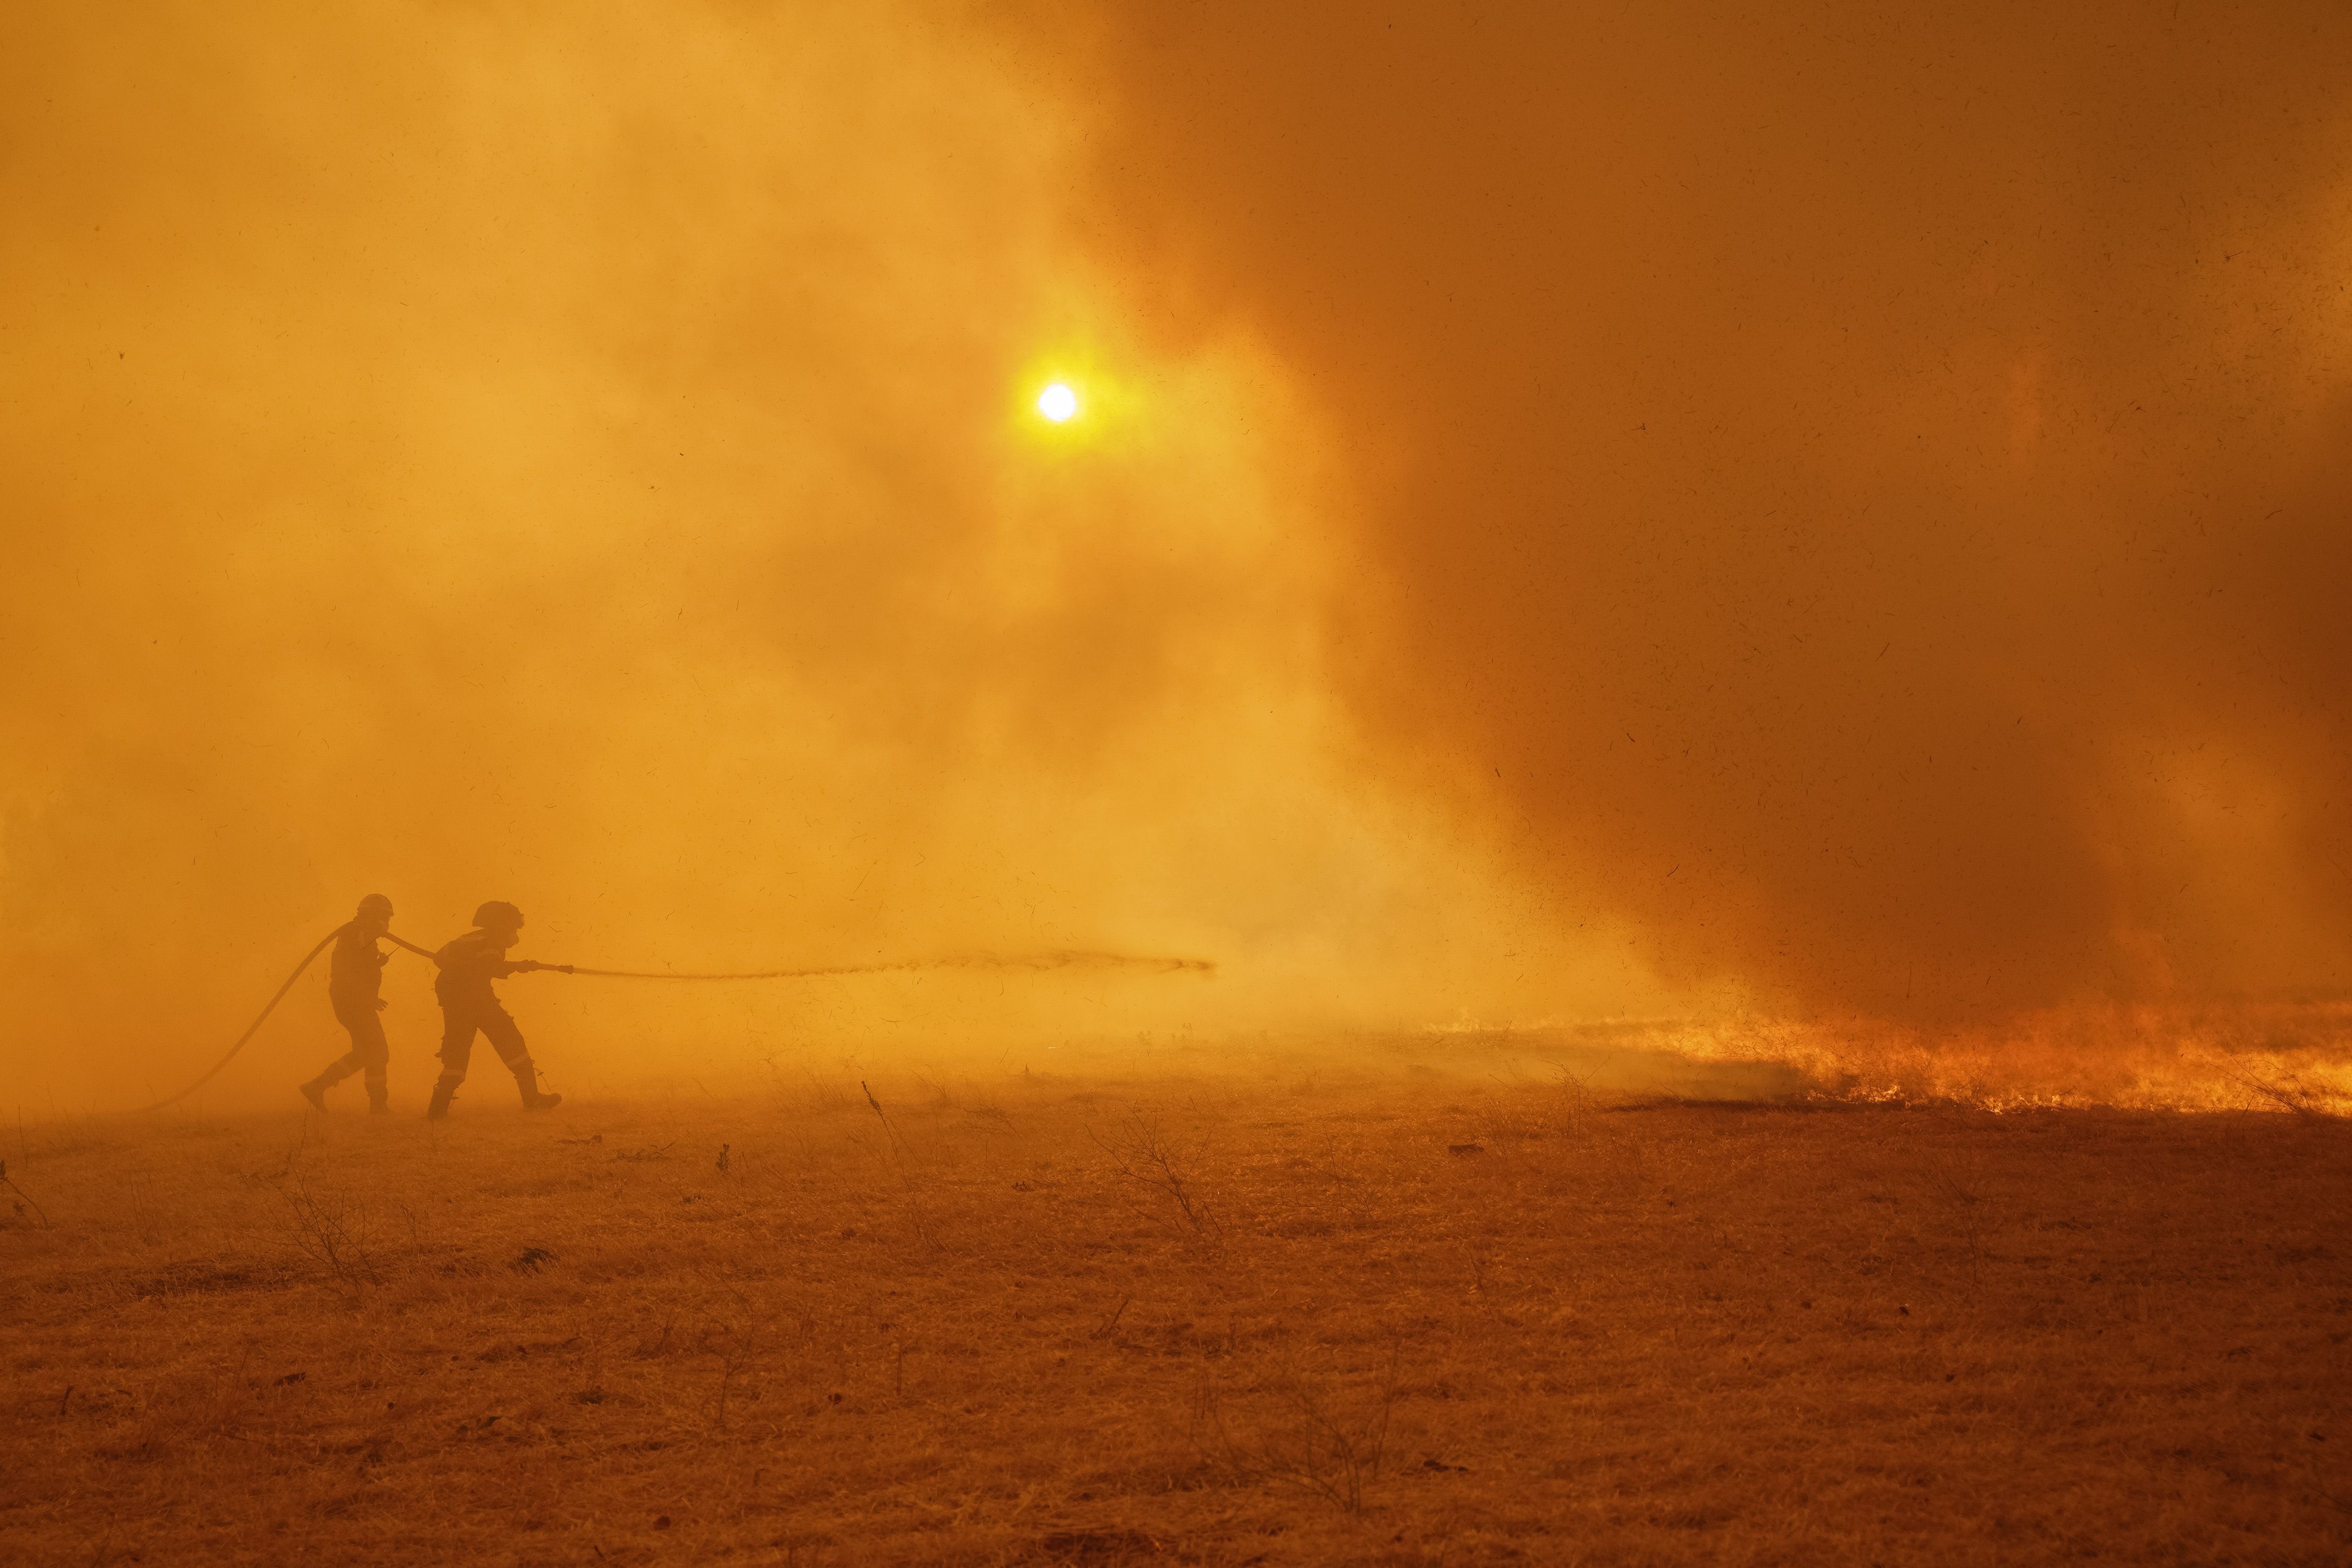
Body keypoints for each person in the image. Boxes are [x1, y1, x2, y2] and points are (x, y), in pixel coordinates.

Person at [425, 901, 571, 1121]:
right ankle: (532, 1100)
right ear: (501, 924)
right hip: (478, 1002)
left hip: (455, 1003)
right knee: (512, 1043)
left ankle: (437, 1110)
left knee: (456, 1055)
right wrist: (518, 967)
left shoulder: (467, 939)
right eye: (513, 927)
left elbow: (440, 958)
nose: (515, 932)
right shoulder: (493, 941)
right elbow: (489, 966)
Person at [299, 894, 432, 1114]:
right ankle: (378, 1106)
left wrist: (375, 965)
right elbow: (348, 972)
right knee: (378, 1052)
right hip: (354, 1003)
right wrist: (367, 996)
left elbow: (358, 965)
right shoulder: (358, 933)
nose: (387, 924)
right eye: (384, 917)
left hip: (353, 1002)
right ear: (373, 916)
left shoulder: (359, 934)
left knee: (364, 1053)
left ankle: (317, 1087)